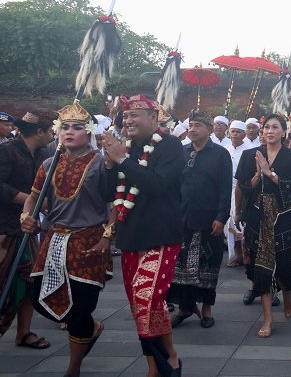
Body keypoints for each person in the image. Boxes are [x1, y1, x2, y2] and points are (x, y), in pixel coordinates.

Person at [20, 103, 112, 376]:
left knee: (81, 306)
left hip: (89, 241)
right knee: (39, 300)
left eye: (77, 127)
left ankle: (74, 367)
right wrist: (26, 216)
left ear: (90, 132)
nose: (70, 132)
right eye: (65, 127)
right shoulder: (49, 163)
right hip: (54, 239)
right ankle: (89, 329)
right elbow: (33, 197)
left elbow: (117, 201)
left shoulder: (101, 162)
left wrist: (108, 236)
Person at [101, 95, 186, 377]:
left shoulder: (170, 145)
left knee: (146, 298)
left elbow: (158, 185)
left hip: (160, 236)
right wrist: (111, 165)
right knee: (144, 306)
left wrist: (122, 160)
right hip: (130, 237)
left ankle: (166, 360)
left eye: (135, 115)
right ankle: (159, 364)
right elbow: (106, 193)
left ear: (153, 118)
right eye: (126, 116)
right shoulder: (121, 149)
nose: (128, 121)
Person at [236, 114, 291, 338]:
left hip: (281, 217)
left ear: (284, 132)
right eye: (267, 127)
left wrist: (270, 174)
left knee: (282, 264)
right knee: (260, 267)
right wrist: (257, 174)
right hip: (257, 217)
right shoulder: (249, 155)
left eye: (275, 127)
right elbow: (243, 187)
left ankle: (288, 293)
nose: (270, 131)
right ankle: (267, 318)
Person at [169, 111, 232, 329]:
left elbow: (225, 189)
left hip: (209, 219)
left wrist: (221, 217)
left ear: (208, 129)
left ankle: (206, 308)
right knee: (183, 266)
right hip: (182, 218)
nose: (192, 130)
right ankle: (184, 308)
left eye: (197, 125)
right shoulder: (182, 152)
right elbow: (174, 185)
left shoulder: (220, 154)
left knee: (208, 266)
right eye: (190, 125)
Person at [0, 109, 56, 348]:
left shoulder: (44, 155)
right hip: (4, 227)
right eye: (51, 130)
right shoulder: (7, 151)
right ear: (40, 132)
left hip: (28, 227)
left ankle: (23, 332)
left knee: (30, 281)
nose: (53, 134)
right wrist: (30, 200)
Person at [224, 120, 252, 268]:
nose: (234, 134)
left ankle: (246, 254)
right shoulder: (225, 150)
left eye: (237, 131)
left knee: (240, 222)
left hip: (242, 190)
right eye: (232, 131)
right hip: (225, 190)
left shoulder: (249, 151)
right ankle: (237, 255)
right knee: (228, 224)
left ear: (244, 133)